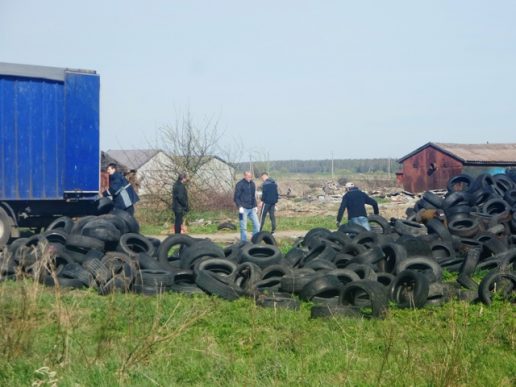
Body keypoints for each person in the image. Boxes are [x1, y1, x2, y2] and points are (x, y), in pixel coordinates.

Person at [234, 171, 260, 241]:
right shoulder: (240, 184)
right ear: (244, 176)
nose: (250, 178)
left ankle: (254, 240)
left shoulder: (252, 184)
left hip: (251, 208)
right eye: (248, 177)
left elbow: (253, 196)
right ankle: (243, 243)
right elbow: (236, 197)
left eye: (251, 177)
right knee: (243, 227)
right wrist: (240, 207)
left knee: (257, 225)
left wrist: (255, 206)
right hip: (243, 209)